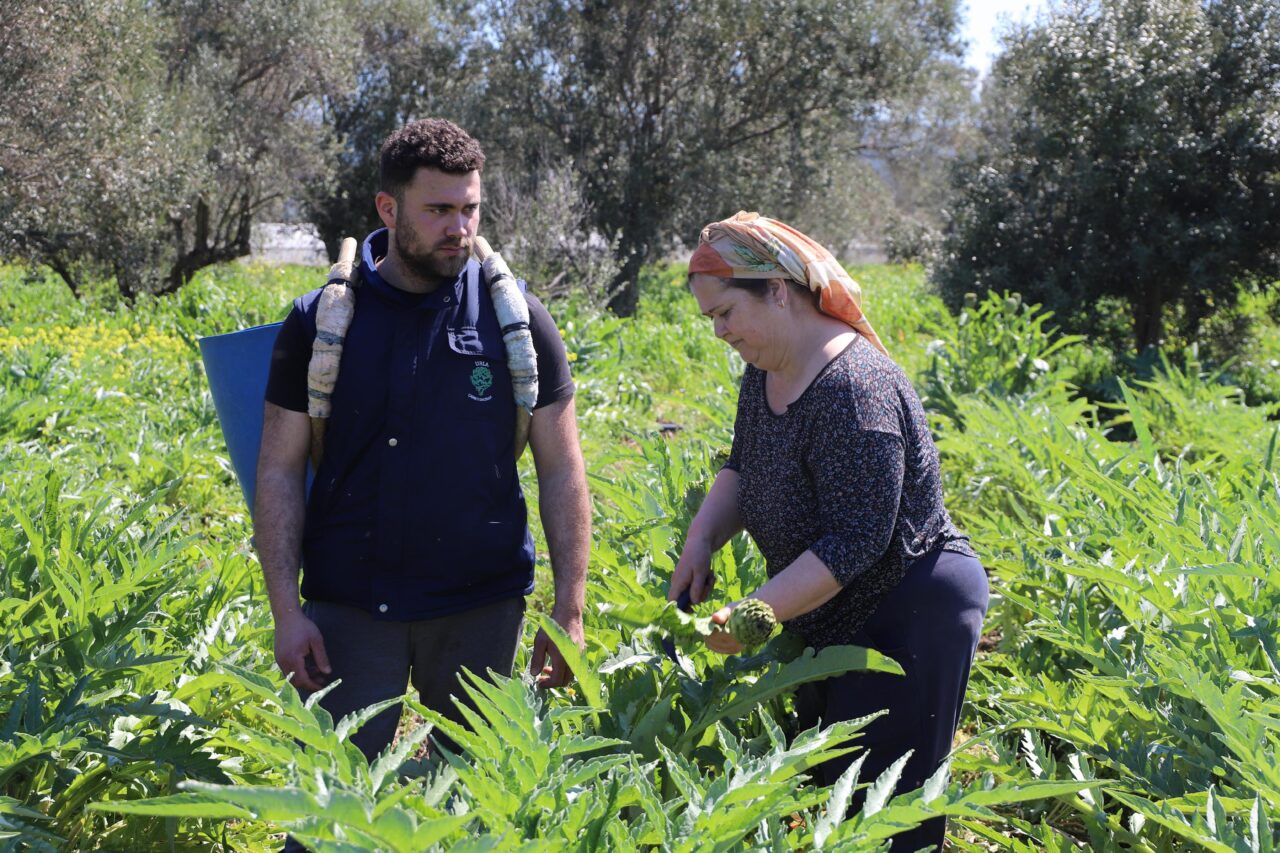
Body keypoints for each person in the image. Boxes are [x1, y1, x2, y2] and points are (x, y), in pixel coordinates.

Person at [254, 118, 590, 771]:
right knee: (334, 798)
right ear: (389, 208)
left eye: (470, 209)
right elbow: (278, 469)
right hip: (350, 608)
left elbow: (562, 468)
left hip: (480, 607)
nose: (458, 228)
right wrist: (286, 612)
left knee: (477, 795)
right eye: (437, 210)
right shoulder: (318, 322)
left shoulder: (517, 321)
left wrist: (569, 609)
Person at [669, 211, 988, 852]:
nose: (720, 331)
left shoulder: (854, 390)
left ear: (777, 291)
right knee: (828, 802)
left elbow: (857, 539)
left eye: (725, 312)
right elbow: (742, 464)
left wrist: (753, 614)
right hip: (831, 615)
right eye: (711, 319)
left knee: (883, 820)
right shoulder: (766, 369)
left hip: (907, 616)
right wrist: (701, 539)